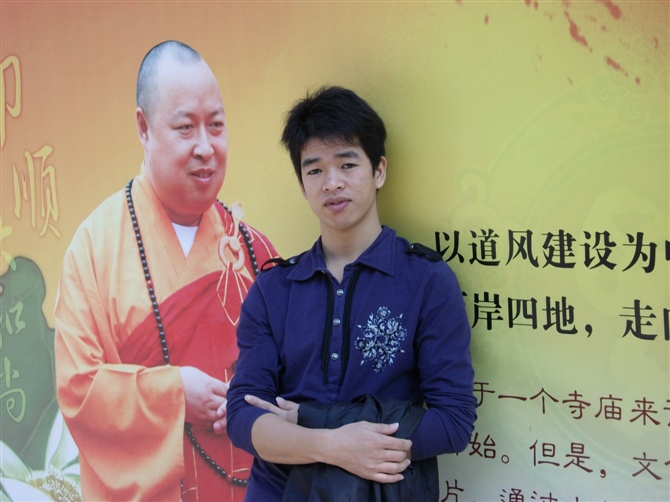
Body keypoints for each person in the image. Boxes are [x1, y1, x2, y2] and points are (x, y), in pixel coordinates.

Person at [226, 86, 476, 501]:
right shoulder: (272, 289)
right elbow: (243, 415)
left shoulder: (427, 281)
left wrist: (307, 420)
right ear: (302, 184)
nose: (332, 183)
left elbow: (453, 421)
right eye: (315, 171)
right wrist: (333, 445)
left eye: (347, 164)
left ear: (379, 171)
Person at [54, 40, 277, 501]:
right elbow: (78, 389)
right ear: (144, 127)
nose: (205, 147)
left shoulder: (252, 250)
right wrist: (174, 394)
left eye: (216, 125)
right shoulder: (95, 249)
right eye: (185, 127)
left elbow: (296, 377)